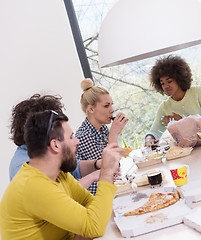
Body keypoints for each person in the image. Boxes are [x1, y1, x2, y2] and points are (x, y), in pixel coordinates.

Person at [0, 110, 123, 239]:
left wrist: (86, 226)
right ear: (55, 145)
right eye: (71, 137)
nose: (77, 142)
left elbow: (89, 202)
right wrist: (107, 172)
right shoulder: (34, 185)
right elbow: (94, 226)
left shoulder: (59, 174)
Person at [9, 94, 100, 189]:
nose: (77, 141)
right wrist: (93, 176)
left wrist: (98, 164)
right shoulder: (23, 167)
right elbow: (59, 195)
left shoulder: (46, 152)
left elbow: (75, 169)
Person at [145, 55, 201, 145]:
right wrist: (149, 139)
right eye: (162, 83)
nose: (165, 86)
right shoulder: (164, 107)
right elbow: (155, 131)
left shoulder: (199, 92)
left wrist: (183, 121)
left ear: (179, 79)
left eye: (169, 81)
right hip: (185, 151)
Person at [76, 78, 128, 195]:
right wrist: (114, 134)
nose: (112, 110)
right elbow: (110, 169)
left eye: (111, 105)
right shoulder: (85, 136)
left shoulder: (102, 128)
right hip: (96, 196)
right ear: (91, 109)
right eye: (106, 106)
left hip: (111, 189)